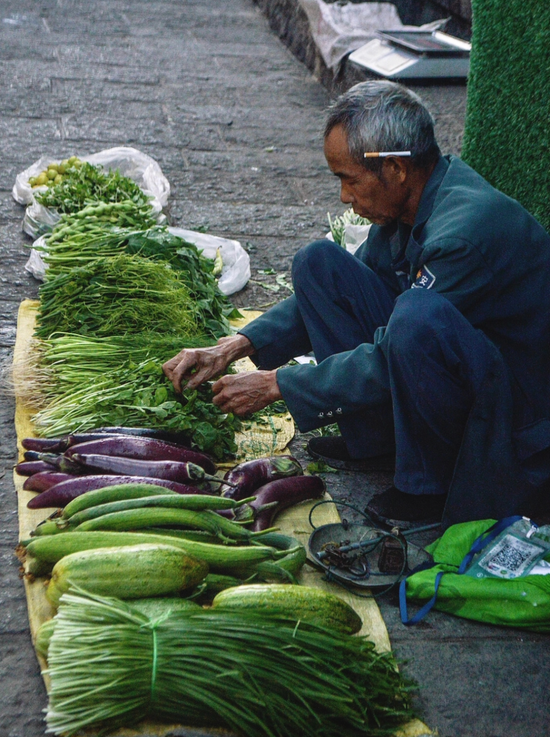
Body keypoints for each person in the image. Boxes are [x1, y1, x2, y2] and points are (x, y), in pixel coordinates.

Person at [163, 80, 550, 529]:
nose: (345, 197)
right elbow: (352, 284)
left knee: (415, 316)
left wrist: (279, 384)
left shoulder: (463, 234)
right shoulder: (412, 202)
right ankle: (377, 442)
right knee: (320, 264)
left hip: (516, 417)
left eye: (350, 180)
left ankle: (429, 485)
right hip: (468, 368)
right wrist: (233, 347)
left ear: (395, 170)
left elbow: (396, 348)